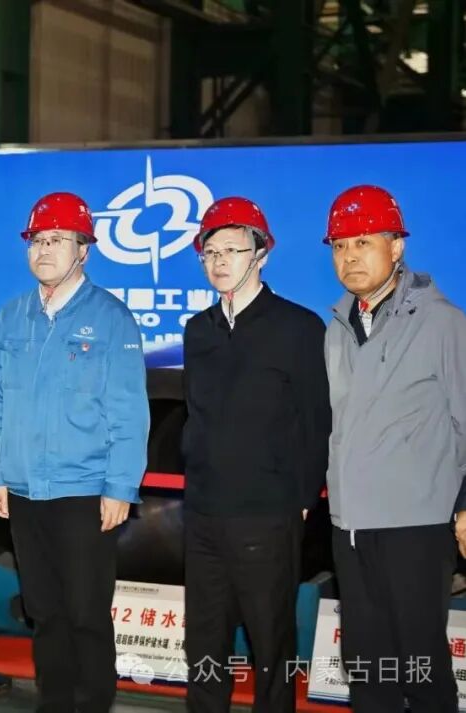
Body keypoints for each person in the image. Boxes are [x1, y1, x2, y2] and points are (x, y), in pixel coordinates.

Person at [0, 192, 149, 713]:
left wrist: (120, 487)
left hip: (85, 493)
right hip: (23, 491)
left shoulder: (111, 318)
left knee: (86, 615)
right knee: (44, 613)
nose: (44, 250)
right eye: (37, 240)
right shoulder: (11, 317)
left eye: (58, 240)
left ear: (84, 250)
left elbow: (129, 411)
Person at [181, 197, 331, 713]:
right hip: (202, 514)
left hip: (268, 515)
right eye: (210, 252)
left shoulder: (299, 328)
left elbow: (317, 420)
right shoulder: (197, 329)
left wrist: (302, 499)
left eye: (232, 250)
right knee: (203, 644)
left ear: (261, 254)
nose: (219, 261)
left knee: (271, 647)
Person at [324, 184, 466, 713]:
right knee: (366, 668)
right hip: (350, 526)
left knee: (420, 666)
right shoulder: (338, 327)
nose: (350, 257)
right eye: (340, 246)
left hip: (416, 526)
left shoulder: (443, 323)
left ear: (397, 246)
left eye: (363, 242)